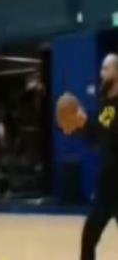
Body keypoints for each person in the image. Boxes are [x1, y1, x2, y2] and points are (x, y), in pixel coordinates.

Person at [58, 53, 118, 260]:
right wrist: (79, 125)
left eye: (106, 69)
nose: (101, 73)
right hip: (108, 185)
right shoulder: (106, 104)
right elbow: (97, 140)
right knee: (89, 238)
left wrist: (85, 123)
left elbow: (110, 137)